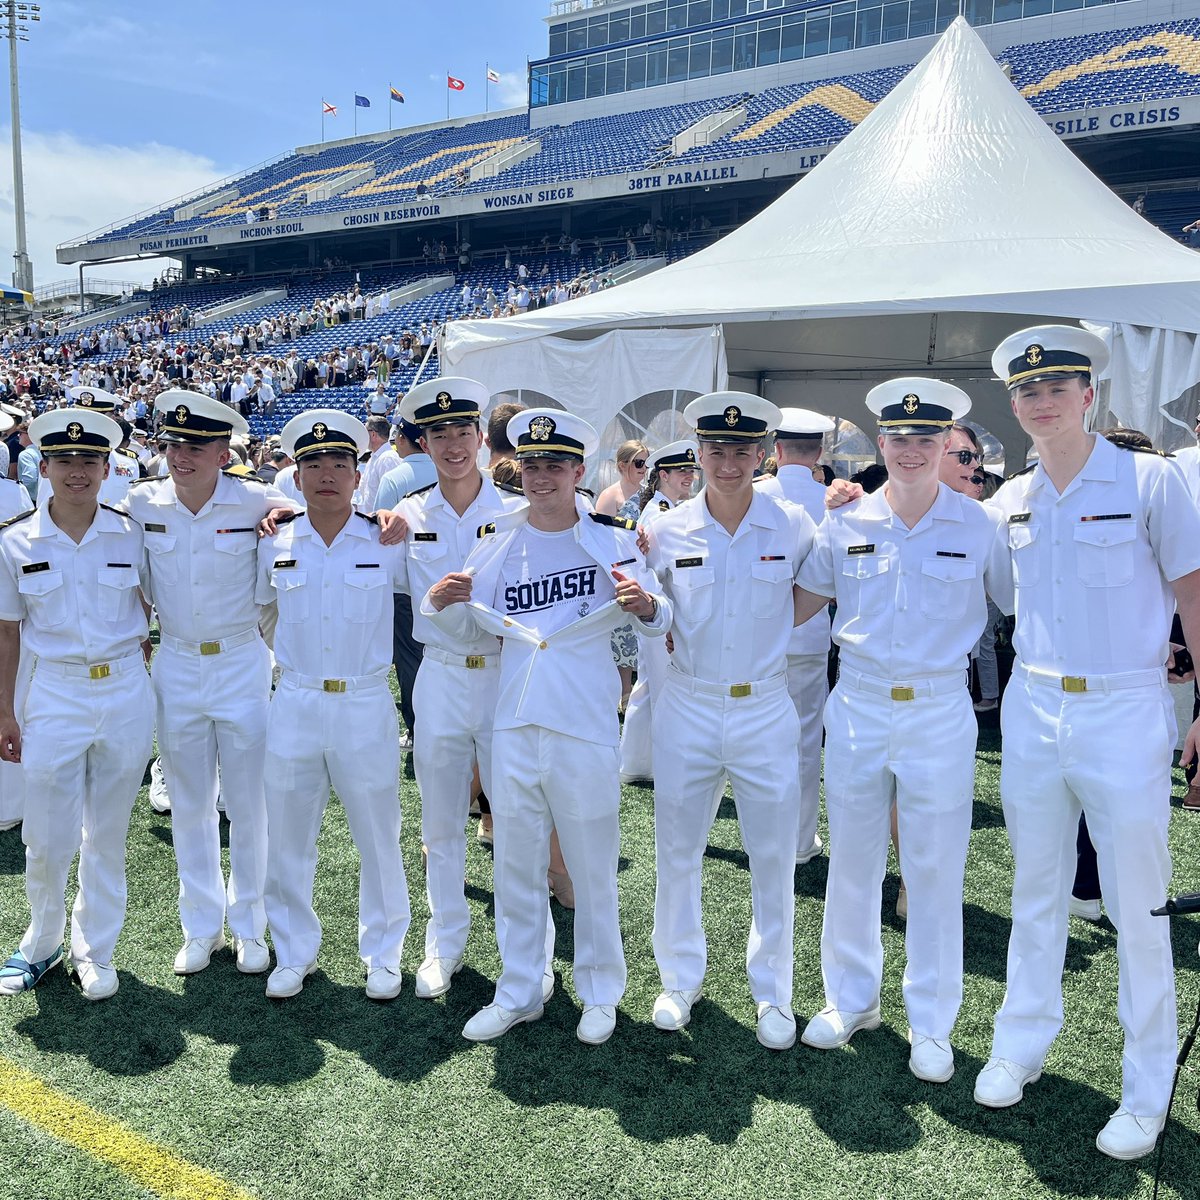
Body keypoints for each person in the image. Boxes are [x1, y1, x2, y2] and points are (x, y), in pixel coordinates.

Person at [975, 325, 1200, 1161]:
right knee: (1034, 890)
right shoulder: (1012, 499)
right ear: (1016, 404)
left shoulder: (1152, 480)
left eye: (1057, 387)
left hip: (1125, 705)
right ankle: (1020, 1045)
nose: (1042, 400)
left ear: (1089, 395)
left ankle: (1145, 1091)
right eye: (1027, 391)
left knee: (1140, 907)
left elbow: (1193, 590)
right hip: (1034, 706)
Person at [423, 408, 669, 1045]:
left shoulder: (613, 539)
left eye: (555, 465)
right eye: (531, 466)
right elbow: (467, 625)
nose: (542, 477)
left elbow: (657, 619)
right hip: (513, 722)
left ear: (578, 470)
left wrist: (648, 606)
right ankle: (521, 987)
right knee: (516, 864)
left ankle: (600, 989)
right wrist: (440, 604)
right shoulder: (497, 538)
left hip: (584, 724)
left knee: (589, 866)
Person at [792, 380, 1012, 1082]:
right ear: (880, 444)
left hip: (938, 708)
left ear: (948, 445)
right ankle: (851, 1000)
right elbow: (799, 599)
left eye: (927, 439)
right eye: (899, 438)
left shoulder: (980, 527)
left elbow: (1020, 607)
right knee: (853, 863)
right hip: (855, 701)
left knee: (934, 868)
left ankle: (932, 1023)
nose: (912, 450)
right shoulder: (846, 521)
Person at [644, 392, 815, 1051]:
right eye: (715, 450)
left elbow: (817, 585)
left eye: (742, 451)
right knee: (678, 850)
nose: (728, 462)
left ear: (762, 455)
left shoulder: (793, 522)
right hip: (688, 701)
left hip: (765, 704)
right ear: (698, 455)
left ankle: (773, 993)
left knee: (772, 856)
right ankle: (678, 981)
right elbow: (652, 601)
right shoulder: (665, 530)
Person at [121, 390, 293, 977]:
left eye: (197, 445)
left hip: (243, 660)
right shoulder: (142, 503)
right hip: (177, 661)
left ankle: (250, 925)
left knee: (249, 803)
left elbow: (314, 516)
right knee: (190, 803)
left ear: (225, 451)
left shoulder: (258, 500)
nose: (182, 456)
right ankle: (201, 926)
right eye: (173, 444)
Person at [255, 409, 410, 1001]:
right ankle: (293, 952)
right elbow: (259, 609)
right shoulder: (275, 540)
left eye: (339, 464)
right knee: (288, 836)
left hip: (364, 702)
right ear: (296, 477)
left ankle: (384, 952)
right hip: (294, 699)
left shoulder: (386, 537)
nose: (326, 474)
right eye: (312, 464)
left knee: (378, 834)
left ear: (357, 473)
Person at [0, 408, 153, 1000]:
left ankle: (96, 949)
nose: (77, 471)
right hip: (55, 693)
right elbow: (7, 631)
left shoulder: (131, 532)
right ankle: (41, 941)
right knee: (45, 831)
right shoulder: (15, 541)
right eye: (65, 460)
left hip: (123, 690)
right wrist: (5, 712)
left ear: (106, 465)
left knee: (108, 831)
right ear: (46, 465)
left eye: (89, 459)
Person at [391, 378, 526, 1000]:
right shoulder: (406, 517)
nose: (450, 444)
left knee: (518, 823)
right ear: (423, 442)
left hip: (504, 675)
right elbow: (352, 555)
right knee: (441, 823)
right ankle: (443, 941)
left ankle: (525, 955)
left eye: (461, 432)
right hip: (440, 673)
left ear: (480, 438)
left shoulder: (518, 512)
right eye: (437, 434)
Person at [756, 407, 836, 864]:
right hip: (810, 635)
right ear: (818, 452)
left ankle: (763, 838)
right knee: (805, 742)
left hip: (757, 640)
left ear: (776, 450)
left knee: (758, 743)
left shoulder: (753, 494)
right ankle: (800, 840)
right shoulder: (836, 501)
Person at [617, 440, 699, 785]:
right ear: (662, 474)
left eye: (692, 471)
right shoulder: (660, 513)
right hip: (658, 611)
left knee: (650, 687)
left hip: (657, 610)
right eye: (681, 471)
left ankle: (634, 764)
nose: (689, 477)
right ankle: (669, 767)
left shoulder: (670, 508)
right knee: (666, 690)